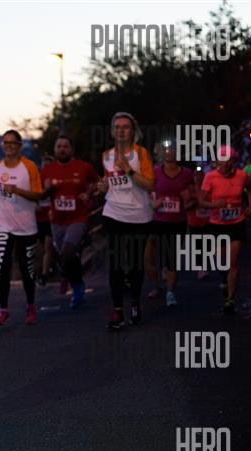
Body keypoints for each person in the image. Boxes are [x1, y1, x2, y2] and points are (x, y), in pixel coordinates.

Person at [96, 112, 154, 330]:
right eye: (117, 127)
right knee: (116, 263)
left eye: (126, 127)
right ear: (112, 131)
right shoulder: (106, 156)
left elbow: (150, 185)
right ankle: (118, 310)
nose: (121, 130)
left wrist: (128, 169)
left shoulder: (141, 154)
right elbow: (109, 183)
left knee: (136, 263)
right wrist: (103, 186)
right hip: (114, 213)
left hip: (139, 215)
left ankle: (135, 302)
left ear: (133, 131)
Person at [0, 130, 44, 326]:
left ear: (19, 145)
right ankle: (3, 309)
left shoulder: (29, 167)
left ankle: (30, 306)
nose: (9, 146)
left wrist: (17, 190)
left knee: (27, 269)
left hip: (26, 225)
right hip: (3, 223)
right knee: (2, 265)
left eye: (12, 143)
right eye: (5, 142)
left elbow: (38, 195)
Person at [40, 136, 100, 308]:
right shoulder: (47, 170)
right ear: (54, 150)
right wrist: (47, 190)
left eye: (65, 146)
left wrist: (88, 193)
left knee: (68, 252)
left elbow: (98, 182)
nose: (62, 149)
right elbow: (39, 194)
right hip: (57, 221)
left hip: (78, 218)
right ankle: (76, 281)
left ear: (71, 150)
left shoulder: (83, 167)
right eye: (59, 146)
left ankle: (77, 286)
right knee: (64, 257)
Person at [199, 145, 251, 314]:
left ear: (233, 161)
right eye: (220, 160)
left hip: (237, 222)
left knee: (233, 262)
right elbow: (201, 201)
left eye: (226, 160)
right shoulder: (210, 177)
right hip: (217, 223)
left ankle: (230, 299)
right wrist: (214, 204)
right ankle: (223, 278)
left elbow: (250, 189)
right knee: (221, 261)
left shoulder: (242, 175)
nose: (222, 164)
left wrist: (250, 206)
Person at [144, 139, 194, 307]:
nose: (168, 152)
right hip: (157, 220)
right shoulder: (155, 172)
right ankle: (156, 285)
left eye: (172, 149)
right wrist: (153, 203)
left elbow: (192, 196)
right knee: (149, 255)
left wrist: (188, 200)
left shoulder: (186, 173)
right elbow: (148, 192)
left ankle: (170, 292)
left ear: (177, 153)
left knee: (171, 257)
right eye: (165, 150)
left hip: (177, 221)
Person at [185, 168, 211, 279]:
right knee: (198, 246)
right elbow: (184, 207)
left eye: (200, 175)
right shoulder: (188, 190)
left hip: (207, 222)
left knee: (208, 245)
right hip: (194, 222)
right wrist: (192, 203)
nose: (198, 178)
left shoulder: (208, 189)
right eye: (196, 175)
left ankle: (205, 265)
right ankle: (201, 268)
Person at [35, 155, 55, 287]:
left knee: (48, 245)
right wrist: (35, 205)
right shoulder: (37, 180)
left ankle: (44, 275)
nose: (46, 168)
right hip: (39, 218)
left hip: (52, 218)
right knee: (43, 247)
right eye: (44, 165)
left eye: (49, 165)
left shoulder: (56, 180)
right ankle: (50, 267)